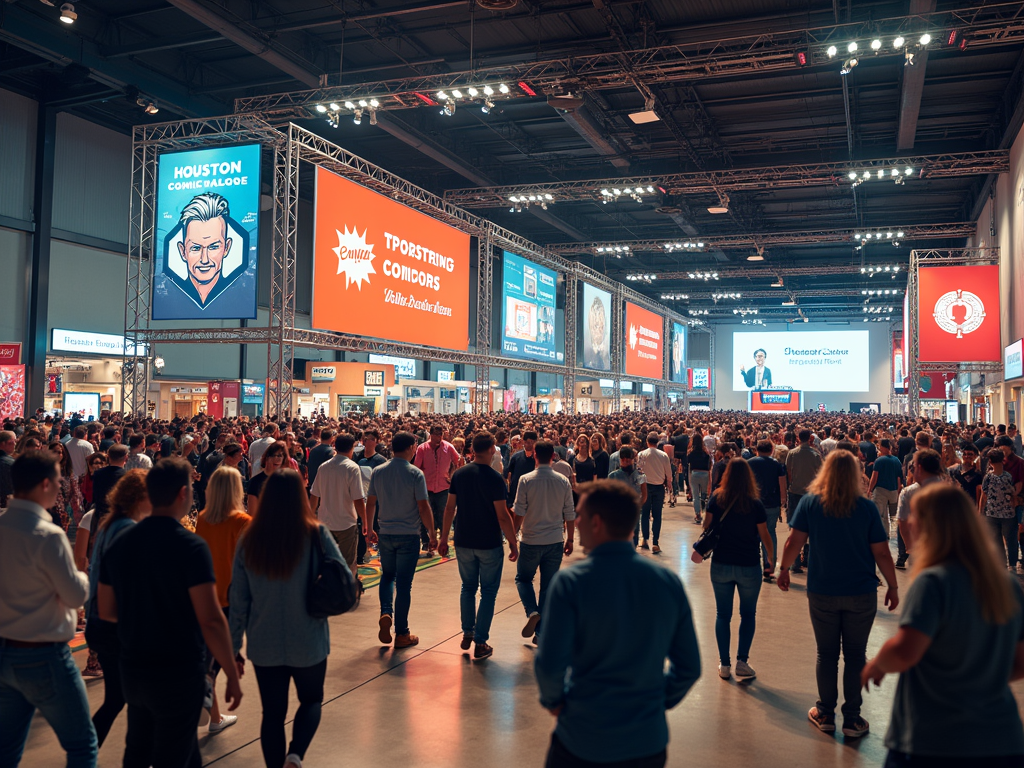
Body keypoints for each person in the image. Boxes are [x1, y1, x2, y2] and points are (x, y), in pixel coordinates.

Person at [534, 480, 701, 768]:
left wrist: (555, 702)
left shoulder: (571, 583)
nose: (575, 521)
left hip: (583, 736)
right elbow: (689, 667)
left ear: (596, 523)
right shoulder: (667, 583)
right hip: (646, 741)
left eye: (580, 515)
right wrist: (656, 701)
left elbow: (550, 665)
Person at [863, 483, 1024, 768]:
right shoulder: (1008, 585)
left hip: (934, 739)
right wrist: (981, 677)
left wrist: (877, 665)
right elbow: (1021, 663)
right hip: (1001, 739)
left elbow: (906, 650)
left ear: (930, 525)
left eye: (916, 515)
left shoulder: (933, 582)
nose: (909, 522)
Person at [97, 458, 242, 768]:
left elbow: (107, 610)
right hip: (177, 670)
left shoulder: (120, 541)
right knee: (172, 754)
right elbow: (211, 618)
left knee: (139, 748)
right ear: (182, 494)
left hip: (133, 667)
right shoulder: (190, 546)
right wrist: (230, 670)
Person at [777, 449, 899, 739]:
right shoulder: (867, 508)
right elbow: (881, 551)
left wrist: (783, 570)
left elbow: (794, 541)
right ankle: (853, 719)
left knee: (827, 654)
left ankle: (826, 713)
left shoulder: (810, 503)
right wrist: (893, 585)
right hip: (861, 591)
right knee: (856, 654)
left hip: (823, 590)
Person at [230, 470, 347, 768]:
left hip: (263, 642)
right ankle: (294, 757)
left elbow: (238, 600)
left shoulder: (249, 538)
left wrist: (233, 650)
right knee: (311, 700)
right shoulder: (314, 533)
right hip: (308, 636)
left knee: (272, 714)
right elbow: (344, 575)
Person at [0, 451, 96, 767]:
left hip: (5, 654)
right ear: (44, 484)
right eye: (57, 481)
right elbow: (73, 595)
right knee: (82, 745)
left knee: (7, 749)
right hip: (44, 656)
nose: (59, 488)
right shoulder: (49, 536)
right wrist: (84, 577)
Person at [85, 470, 151, 747]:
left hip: (100, 625)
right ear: (139, 498)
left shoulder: (110, 524)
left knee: (117, 699)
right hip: (118, 629)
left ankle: (84, 753)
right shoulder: (128, 530)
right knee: (140, 703)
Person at [440, 432, 519, 660]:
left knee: (468, 587)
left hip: (464, 540)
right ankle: (481, 642)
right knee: (488, 592)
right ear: (493, 449)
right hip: (488, 542)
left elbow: (449, 508)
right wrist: (513, 542)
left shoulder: (460, 475)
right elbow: (503, 515)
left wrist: (444, 538)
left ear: (472, 449)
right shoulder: (495, 479)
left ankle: (467, 631)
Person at [692, 457, 773, 681]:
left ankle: (724, 664)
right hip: (748, 564)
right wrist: (771, 558)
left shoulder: (717, 497)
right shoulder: (755, 503)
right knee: (748, 614)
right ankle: (742, 662)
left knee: (722, 615)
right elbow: (764, 533)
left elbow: (706, 525)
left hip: (721, 563)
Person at [366, 432, 436, 649]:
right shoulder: (415, 473)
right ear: (411, 447)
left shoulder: (378, 471)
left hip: (385, 533)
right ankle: (402, 633)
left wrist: (369, 528)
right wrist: (432, 534)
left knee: (387, 576)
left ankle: (386, 611)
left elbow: (370, 503)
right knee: (404, 585)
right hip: (409, 535)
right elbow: (423, 507)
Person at [195, 466, 251, 735]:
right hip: (232, 600)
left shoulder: (203, 518)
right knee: (218, 660)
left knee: (208, 656)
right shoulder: (242, 522)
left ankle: (215, 717)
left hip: (204, 595)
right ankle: (202, 697)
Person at [513, 439, 575, 645]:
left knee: (523, 579)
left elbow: (519, 511)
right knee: (548, 587)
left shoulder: (525, 480)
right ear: (553, 457)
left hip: (531, 539)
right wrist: (571, 539)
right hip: (555, 540)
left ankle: (532, 611)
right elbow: (569, 513)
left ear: (536, 456)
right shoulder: (563, 481)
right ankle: (540, 633)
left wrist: (513, 537)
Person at [310, 434, 366, 574]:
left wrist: (311, 517)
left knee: (327, 561)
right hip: (346, 522)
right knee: (348, 563)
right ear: (351, 448)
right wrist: (365, 521)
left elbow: (314, 494)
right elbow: (358, 499)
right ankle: (346, 591)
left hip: (325, 521)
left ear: (335, 446)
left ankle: (329, 590)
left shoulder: (323, 467)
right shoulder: (352, 468)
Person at [413, 424, 460, 555]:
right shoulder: (423, 448)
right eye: (436, 435)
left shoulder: (448, 447)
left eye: (441, 435)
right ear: (431, 434)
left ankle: (442, 541)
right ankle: (427, 542)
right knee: (426, 515)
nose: (438, 438)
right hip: (426, 487)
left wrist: (452, 474)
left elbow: (458, 461)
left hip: (443, 487)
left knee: (443, 515)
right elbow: (417, 467)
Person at [894, 449, 945, 570]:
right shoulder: (950, 489)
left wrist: (909, 547)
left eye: (914, 466)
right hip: (944, 549)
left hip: (919, 547)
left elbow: (902, 522)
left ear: (920, 468)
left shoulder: (908, 492)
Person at [747, 439, 787, 583]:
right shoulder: (777, 464)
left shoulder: (749, 463)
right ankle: (769, 568)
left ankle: (752, 565)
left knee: (752, 534)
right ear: (771, 450)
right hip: (772, 504)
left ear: (757, 449)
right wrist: (783, 499)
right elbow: (782, 483)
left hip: (752, 503)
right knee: (770, 533)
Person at [785, 429, 822, 574]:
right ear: (810, 438)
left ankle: (795, 563)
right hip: (811, 494)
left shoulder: (792, 453)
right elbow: (821, 473)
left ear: (798, 438)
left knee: (795, 528)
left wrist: (792, 484)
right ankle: (809, 560)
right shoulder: (815, 454)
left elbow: (788, 472)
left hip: (795, 492)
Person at [980, 448, 1019, 570]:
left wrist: (980, 511)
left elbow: (984, 496)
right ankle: (1012, 564)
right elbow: (1013, 493)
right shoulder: (1008, 476)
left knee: (996, 540)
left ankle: (1002, 565)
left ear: (990, 461)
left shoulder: (988, 477)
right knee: (1011, 539)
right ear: (1003, 460)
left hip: (991, 513)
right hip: (1008, 513)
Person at [637, 432, 672, 554]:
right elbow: (668, 472)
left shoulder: (641, 454)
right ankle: (655, 542)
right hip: (659, 487)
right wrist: (669, 483)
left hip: (645, 486)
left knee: (645, 514)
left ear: (647, 442)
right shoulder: (663, 455)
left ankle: (644, 539)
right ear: (657, 443)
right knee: (657, 515)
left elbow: (639, 470)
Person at [609, 446, 647, 547]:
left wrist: (638, 505)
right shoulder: (613, 476)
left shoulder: (640, 475)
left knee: (634, 537)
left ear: (633, 459)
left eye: (628, 460)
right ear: (620, 460)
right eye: (624, 460)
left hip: (633, 511)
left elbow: (644, 494)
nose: (626, 462)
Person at [868, 438, 904, 537]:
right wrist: (898, 490)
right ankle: (896, 534)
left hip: (880, 491)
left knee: (882, 515)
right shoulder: (896, 460)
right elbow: (899, 478)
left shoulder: (879, 461)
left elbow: (874, 477)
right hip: (893, 490)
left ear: (883, 447)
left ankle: (884, 534)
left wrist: (870, 489)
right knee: (893, 515)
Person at [247, 440, 287, 518]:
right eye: (273, 455)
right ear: (267, 458)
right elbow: (252, 514)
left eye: (279, 455)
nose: (276, 459)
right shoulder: (255, 482)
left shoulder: (287, 481)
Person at [506, 429, 539, 508]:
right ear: (523, 442)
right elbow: (508, 474)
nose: (530, 445)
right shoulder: (516, 457)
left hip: (533, 493)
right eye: (527, 442)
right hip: (516, 492)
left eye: (532, 442)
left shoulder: (538, 458)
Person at [688, 435, 712, 525]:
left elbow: (688, 464)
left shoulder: (691, 453)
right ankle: (705, 513)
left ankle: (698, 514)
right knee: (704, 495)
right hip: (705, 473)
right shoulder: (706, 453)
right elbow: (709, 464)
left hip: (694, 473)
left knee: (695, 496)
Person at [0, 429, 14, 508]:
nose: (15, 444)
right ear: (3, 443)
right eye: (12, 441)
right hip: (6, 506)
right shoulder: (9, 463)